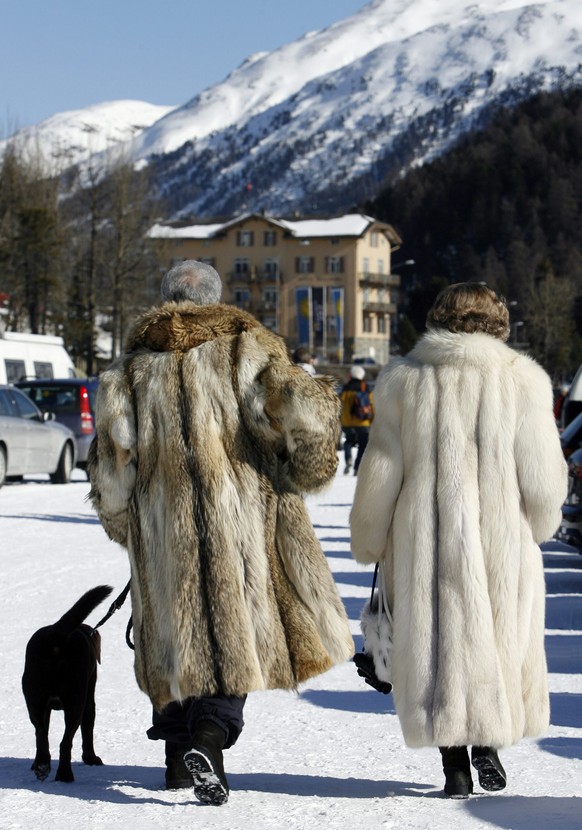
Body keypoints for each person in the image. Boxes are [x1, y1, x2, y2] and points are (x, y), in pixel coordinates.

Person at [87, 260, 354, 805]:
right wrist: (304, 467)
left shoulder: (130, 373)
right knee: (232, 635)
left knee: (171, 638)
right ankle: (209, 739)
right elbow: (306, 408)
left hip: (163, 532)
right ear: (216, 299)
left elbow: (112, 467)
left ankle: (177, 758)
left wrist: (122, 525)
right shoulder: (249, 353)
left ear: (165, 301)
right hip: (239, 526)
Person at [350, 282, 567, 799]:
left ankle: (455, 766)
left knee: (436, 640)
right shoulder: (523, 380)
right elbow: (542, 479)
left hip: (425, 533)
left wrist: (370, 536)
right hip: (501, 535)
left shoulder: (404, 379)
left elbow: (381, 468)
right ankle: (488, 746)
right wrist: (539, 523)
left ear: (440, 318)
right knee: (498, 635)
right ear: (498, 323)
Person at [340, 365, 374, 475]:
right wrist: (373, 420)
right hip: (362, 422)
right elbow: (372, 404)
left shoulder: (345, 388)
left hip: (347, 422)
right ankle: (357, 467)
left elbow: (339, 405)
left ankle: (348, 459)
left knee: (348, 441)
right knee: (363, 444)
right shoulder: (366, 388)